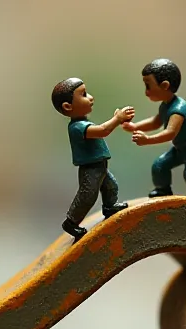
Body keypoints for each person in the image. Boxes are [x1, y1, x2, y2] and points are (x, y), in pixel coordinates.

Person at [51, 77, 134, 241]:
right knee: (87, 196)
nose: (90, 97)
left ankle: (109, 207)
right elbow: (103, 130)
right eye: (83, 94)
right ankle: (71, 222)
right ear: (68, 106)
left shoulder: (83, 122)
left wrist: (116, 118)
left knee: (111, 186)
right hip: (91, 168)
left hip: (99, 165)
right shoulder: (77, 127)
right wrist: (117, 119)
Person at [123, 58, 186, 202]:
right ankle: (163, 190)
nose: (146, 92)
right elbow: (156, 122)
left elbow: (170, 133)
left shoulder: (179, 109)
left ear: (165, 85)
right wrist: (135, 126)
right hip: (181, 149)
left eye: (148, 86)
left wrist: (147, 140)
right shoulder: (165, 106)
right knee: (159, 165)